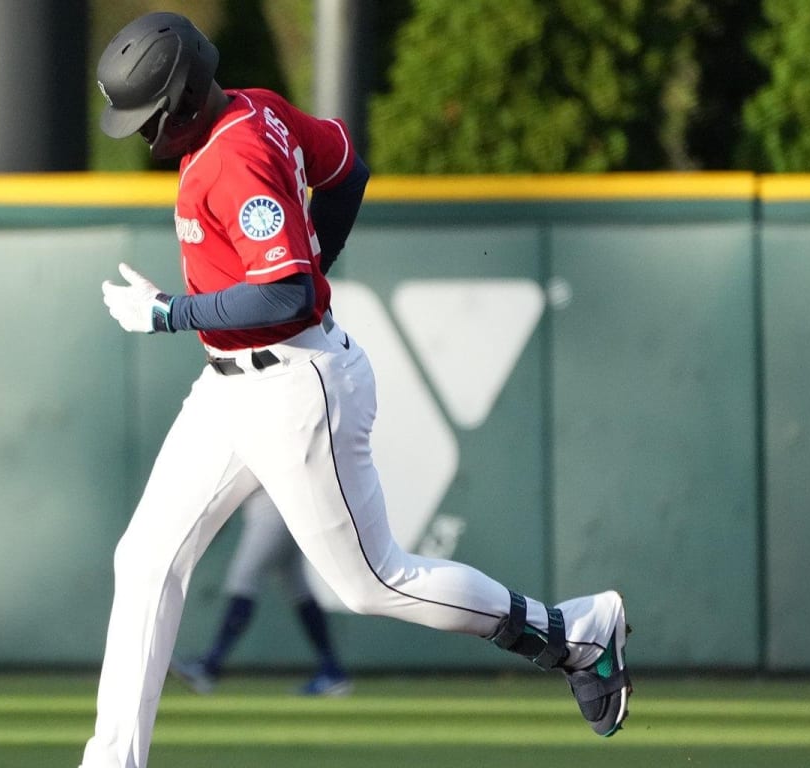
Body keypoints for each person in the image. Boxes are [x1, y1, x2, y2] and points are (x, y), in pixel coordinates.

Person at [82, 11, 631, 768]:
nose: (143, 136)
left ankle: (569, 633)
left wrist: (169, 313)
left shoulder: (235, 153)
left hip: (295, 385)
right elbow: (345, 169)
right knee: (145, 560)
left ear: (178, 98)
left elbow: (288, 296)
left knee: (374, 582)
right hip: (229, 386)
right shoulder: (257, 108)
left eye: (147, 118)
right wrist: (300, 258)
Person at [168, 488, 352, 697]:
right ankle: (333, 671)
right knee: (299, 590)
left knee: (243, 581)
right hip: (288, 512)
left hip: (270, 514)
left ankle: (210, 668)